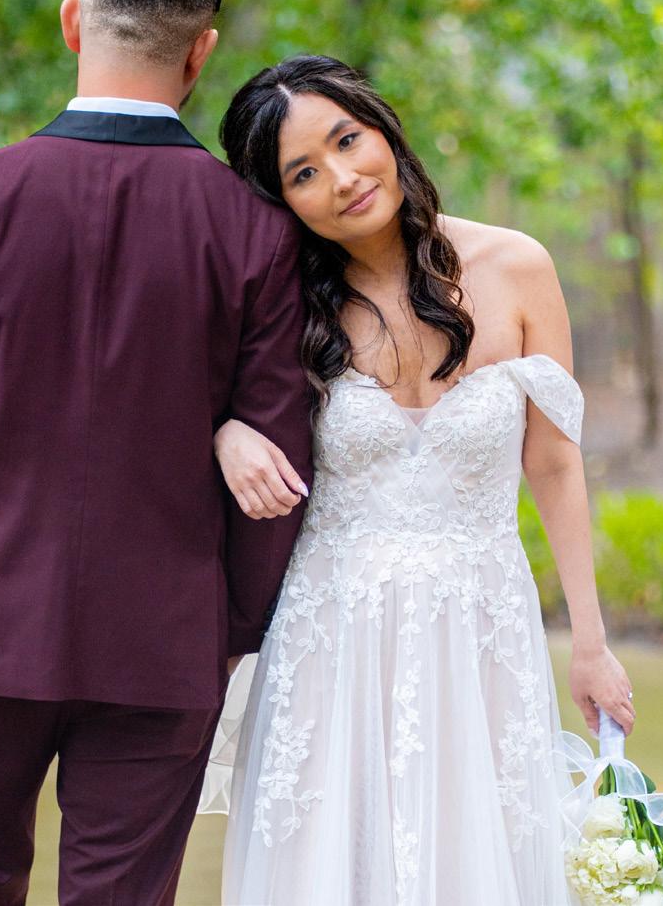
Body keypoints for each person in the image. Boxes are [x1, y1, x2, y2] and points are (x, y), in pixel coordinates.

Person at [0, 0, 312, 905]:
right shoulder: (257, 231)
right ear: (201, 51)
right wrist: (228, 628)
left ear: (75, 20)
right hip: (166, 638)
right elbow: (278, 458)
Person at [203, 55, 634, 904]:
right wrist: (224, 434)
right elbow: (187, 402)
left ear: (383, 128)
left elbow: (553, 462)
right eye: (303, 172)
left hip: (482, 631)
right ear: (280, 199)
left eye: (346, 140)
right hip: (332, 641)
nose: (342, 178)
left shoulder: (517, 266)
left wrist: (590, 641)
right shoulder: (281, 303)